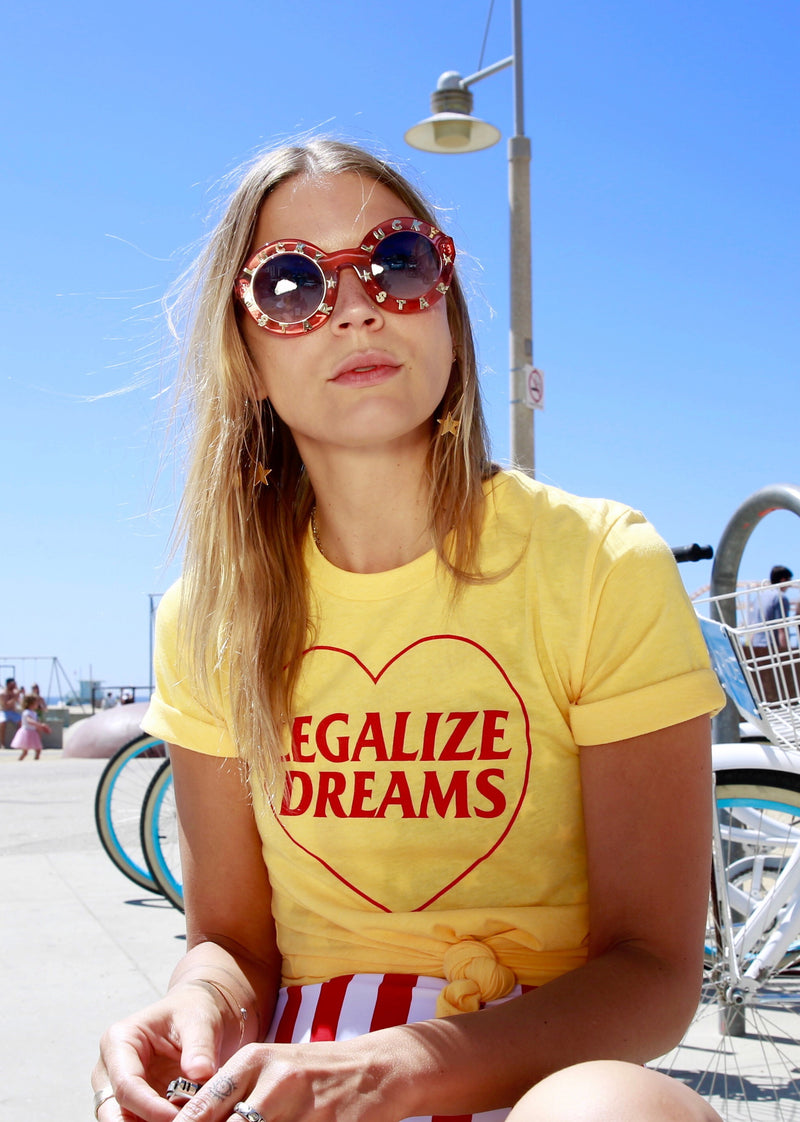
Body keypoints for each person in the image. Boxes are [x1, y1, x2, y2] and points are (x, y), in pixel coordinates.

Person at [93, 138, 725, 1122]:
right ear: (247, 357)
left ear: (448, 316)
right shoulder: (207, 619)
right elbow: (232, 943)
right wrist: (195, 1005)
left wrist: (399, 1066)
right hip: (297, 1076)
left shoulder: (599, 563)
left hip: (543, 1071)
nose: (353, 306)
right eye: (293, 284)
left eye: (397, 263)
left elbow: (651, 971)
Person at [749, 564, 795, 703]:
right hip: (771, 647)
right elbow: (782, 628)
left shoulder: (760, 597)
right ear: (782, 580)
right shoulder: (780, 598)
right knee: (781, 690)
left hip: (755, 646)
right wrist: (786, 651)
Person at [11, 694, 51, 760]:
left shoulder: (34, 713)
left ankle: (36, 760)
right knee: (25, 751)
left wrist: (43, 727)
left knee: (38, 749)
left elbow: (36, 722)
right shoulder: (26, 712)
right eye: (36, 702)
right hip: (26, 732)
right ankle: (19, 761)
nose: (37, 704)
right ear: (31, 703)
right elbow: (29, 721)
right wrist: (40, 725)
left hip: (33, 732)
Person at [0, 677, 21, 749]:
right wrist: (14, 698)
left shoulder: (15, 693)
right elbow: (6, 705)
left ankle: (18, 742)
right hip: (4, 712)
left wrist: (19, 695)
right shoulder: (2, 693)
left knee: (21, 722)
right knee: (2, 723)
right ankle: (2, 743)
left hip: (13, 712)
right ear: (8, 684)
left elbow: (21, 703)